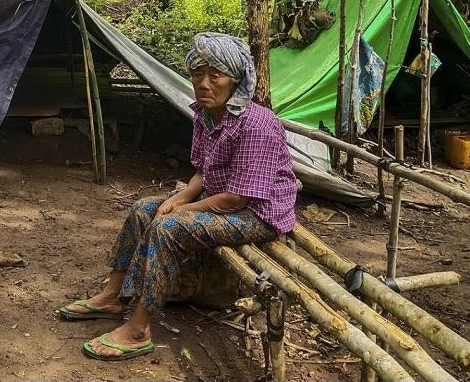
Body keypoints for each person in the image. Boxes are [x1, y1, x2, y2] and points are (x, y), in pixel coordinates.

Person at [56, 32, 297, 361]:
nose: (204, 83)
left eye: (216, 75)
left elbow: (236, 200)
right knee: (144, 209)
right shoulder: (204, 114)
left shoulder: (256, 125)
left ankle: (138, 329)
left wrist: (182, 210)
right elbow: (204, 172)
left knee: (168, 229)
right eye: (198, 74)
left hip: (258, 214)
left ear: (236, 80)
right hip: (222, 197)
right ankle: (113, 296)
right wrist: (180, 198)